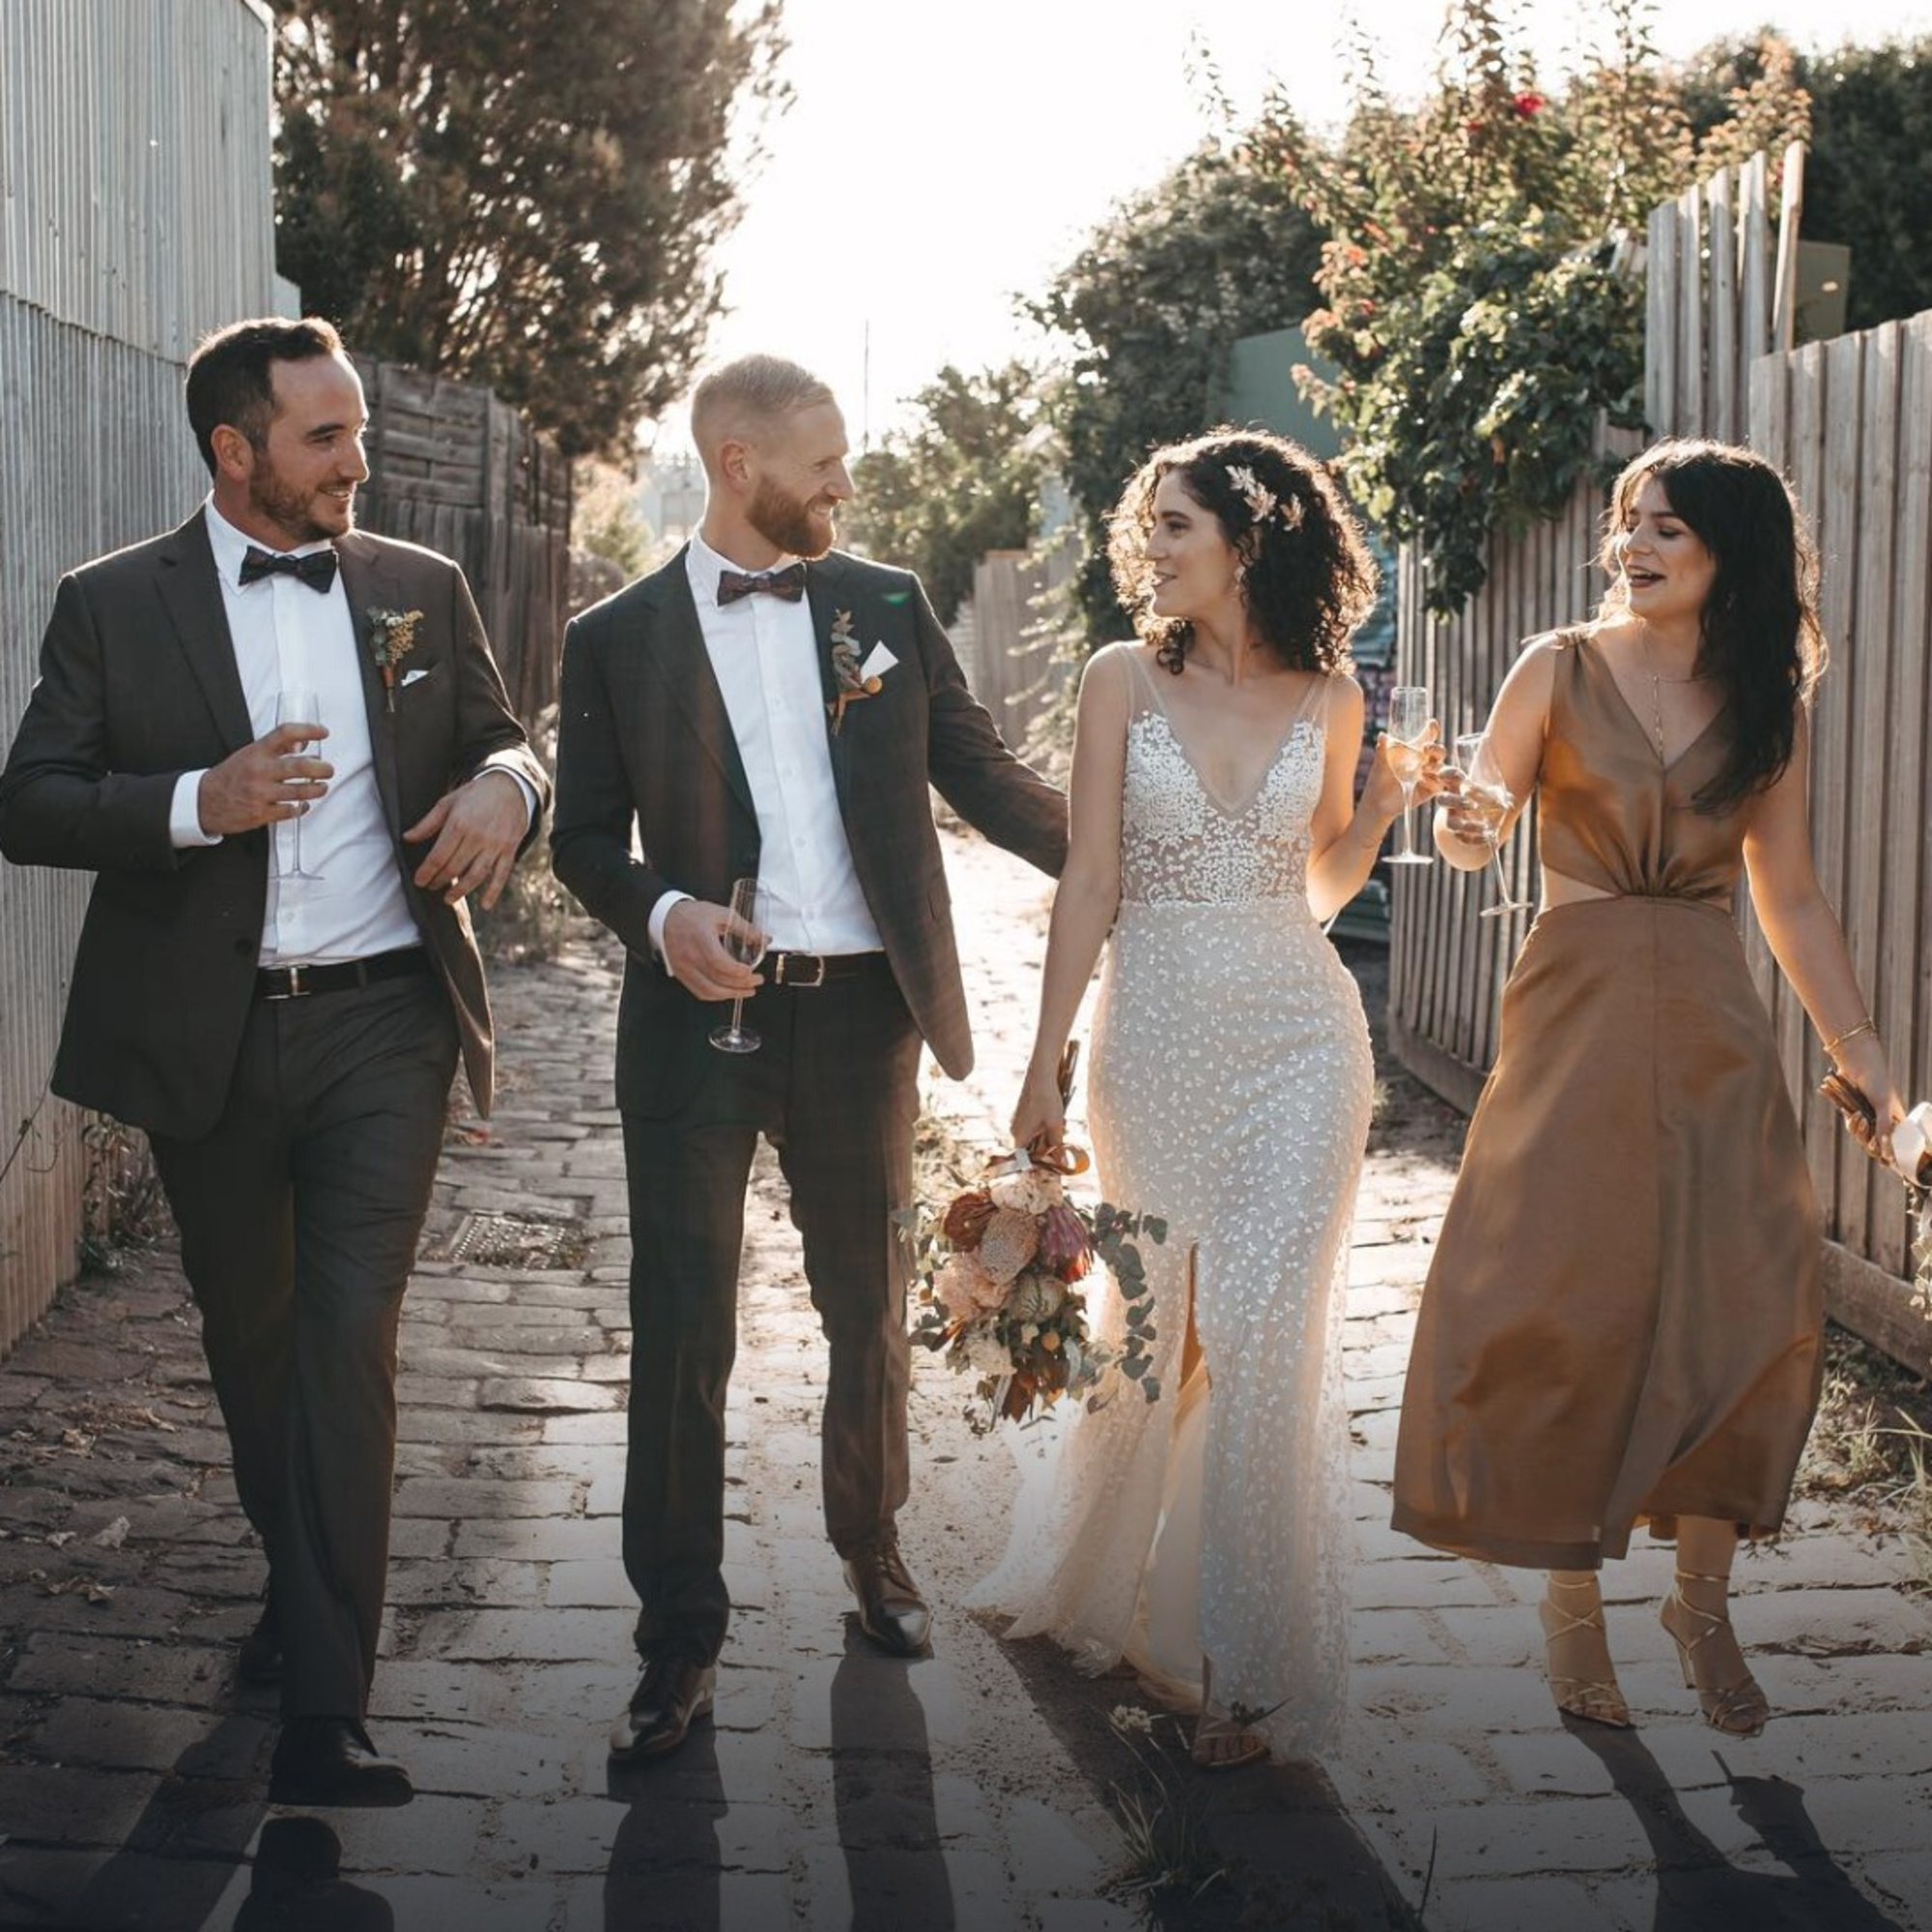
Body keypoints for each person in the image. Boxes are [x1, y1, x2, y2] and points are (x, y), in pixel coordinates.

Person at [0, 317, 548, 1805]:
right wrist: (199, 801)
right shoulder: (112, 604)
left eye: (360, 428)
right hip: (213, 1034)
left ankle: (329, 1707)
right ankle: (299, 1590)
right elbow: (30, 800)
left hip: (387, 1018)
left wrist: (507, 786)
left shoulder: (418, 587)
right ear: (235, 450)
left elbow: (512, 738)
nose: (358, 461)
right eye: (326, 437)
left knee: (345, 1341)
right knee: (253, 1349)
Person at [549, 353, 1066, 1764]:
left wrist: (1138, 869)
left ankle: (873, 1553)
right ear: (738, 465)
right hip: (697, 1019)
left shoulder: (883, 604)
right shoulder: (615, 637)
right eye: (824, 457)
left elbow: (979, 769)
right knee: (682, 1329)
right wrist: (662, 917)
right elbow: (580, 835)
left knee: (865, 1307)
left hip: (860, 1015)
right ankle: (678, 1638)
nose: (847, 481)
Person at [1392, 439, 1904, 1738]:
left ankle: (1703, 1603)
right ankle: (1572, 1615)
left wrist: (1863, 1056)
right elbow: (1481, 819)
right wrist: (1459, 817)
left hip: (1713, 1014)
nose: (1636, 542)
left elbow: (1786, 895)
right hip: (1578, 1001)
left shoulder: (1763, 698)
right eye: (1629, 521)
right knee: (1574, 1299)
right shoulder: (1558, 666)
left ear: (1731, 547)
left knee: (1741, 1298)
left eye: (1667, 525)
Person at [977, 428, 1441, 1768]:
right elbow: (1092, 884)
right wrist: (1041, 1060)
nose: (1153, 550)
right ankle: (1103, 1577)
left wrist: (1386, 807)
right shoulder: (1123, 677)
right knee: (1156, 1329)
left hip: (1303, 1039)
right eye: (1151, 526)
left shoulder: (1333, 694)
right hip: (1160, 1041)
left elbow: (1318, 889)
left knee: (1259, 1328)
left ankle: (1246, 1670)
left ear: (1252, 538)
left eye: (1175, 526)